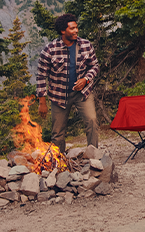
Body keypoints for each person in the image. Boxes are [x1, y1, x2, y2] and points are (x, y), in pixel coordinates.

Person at [38, 13, 99, 149]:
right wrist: (42, 101)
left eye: (76, 27)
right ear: (63, 31)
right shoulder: (50, 50)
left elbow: (95, 66)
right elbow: (41, 75)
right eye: (72, 28)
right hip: (59, 95)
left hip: (82, 93)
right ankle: (59, 161)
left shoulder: (86, 45)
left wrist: (86, 79)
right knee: (57, 132)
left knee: (92, 121)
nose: (76, 31)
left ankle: (94, 155)